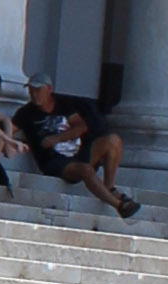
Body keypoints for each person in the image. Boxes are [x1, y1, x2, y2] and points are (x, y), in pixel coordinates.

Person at [15, 82, 143, 219]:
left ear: (49, 89)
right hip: (55, 161)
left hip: (77, 152)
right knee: (85, 169)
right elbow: (11, 128)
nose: (34, 95)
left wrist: (57, 138)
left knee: (113, 140)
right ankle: (119, 205)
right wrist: (7, 140)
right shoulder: (25, 112)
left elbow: (81, 127)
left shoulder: (62, 103)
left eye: (38, 90)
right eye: (31, 91)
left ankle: (109, 187)